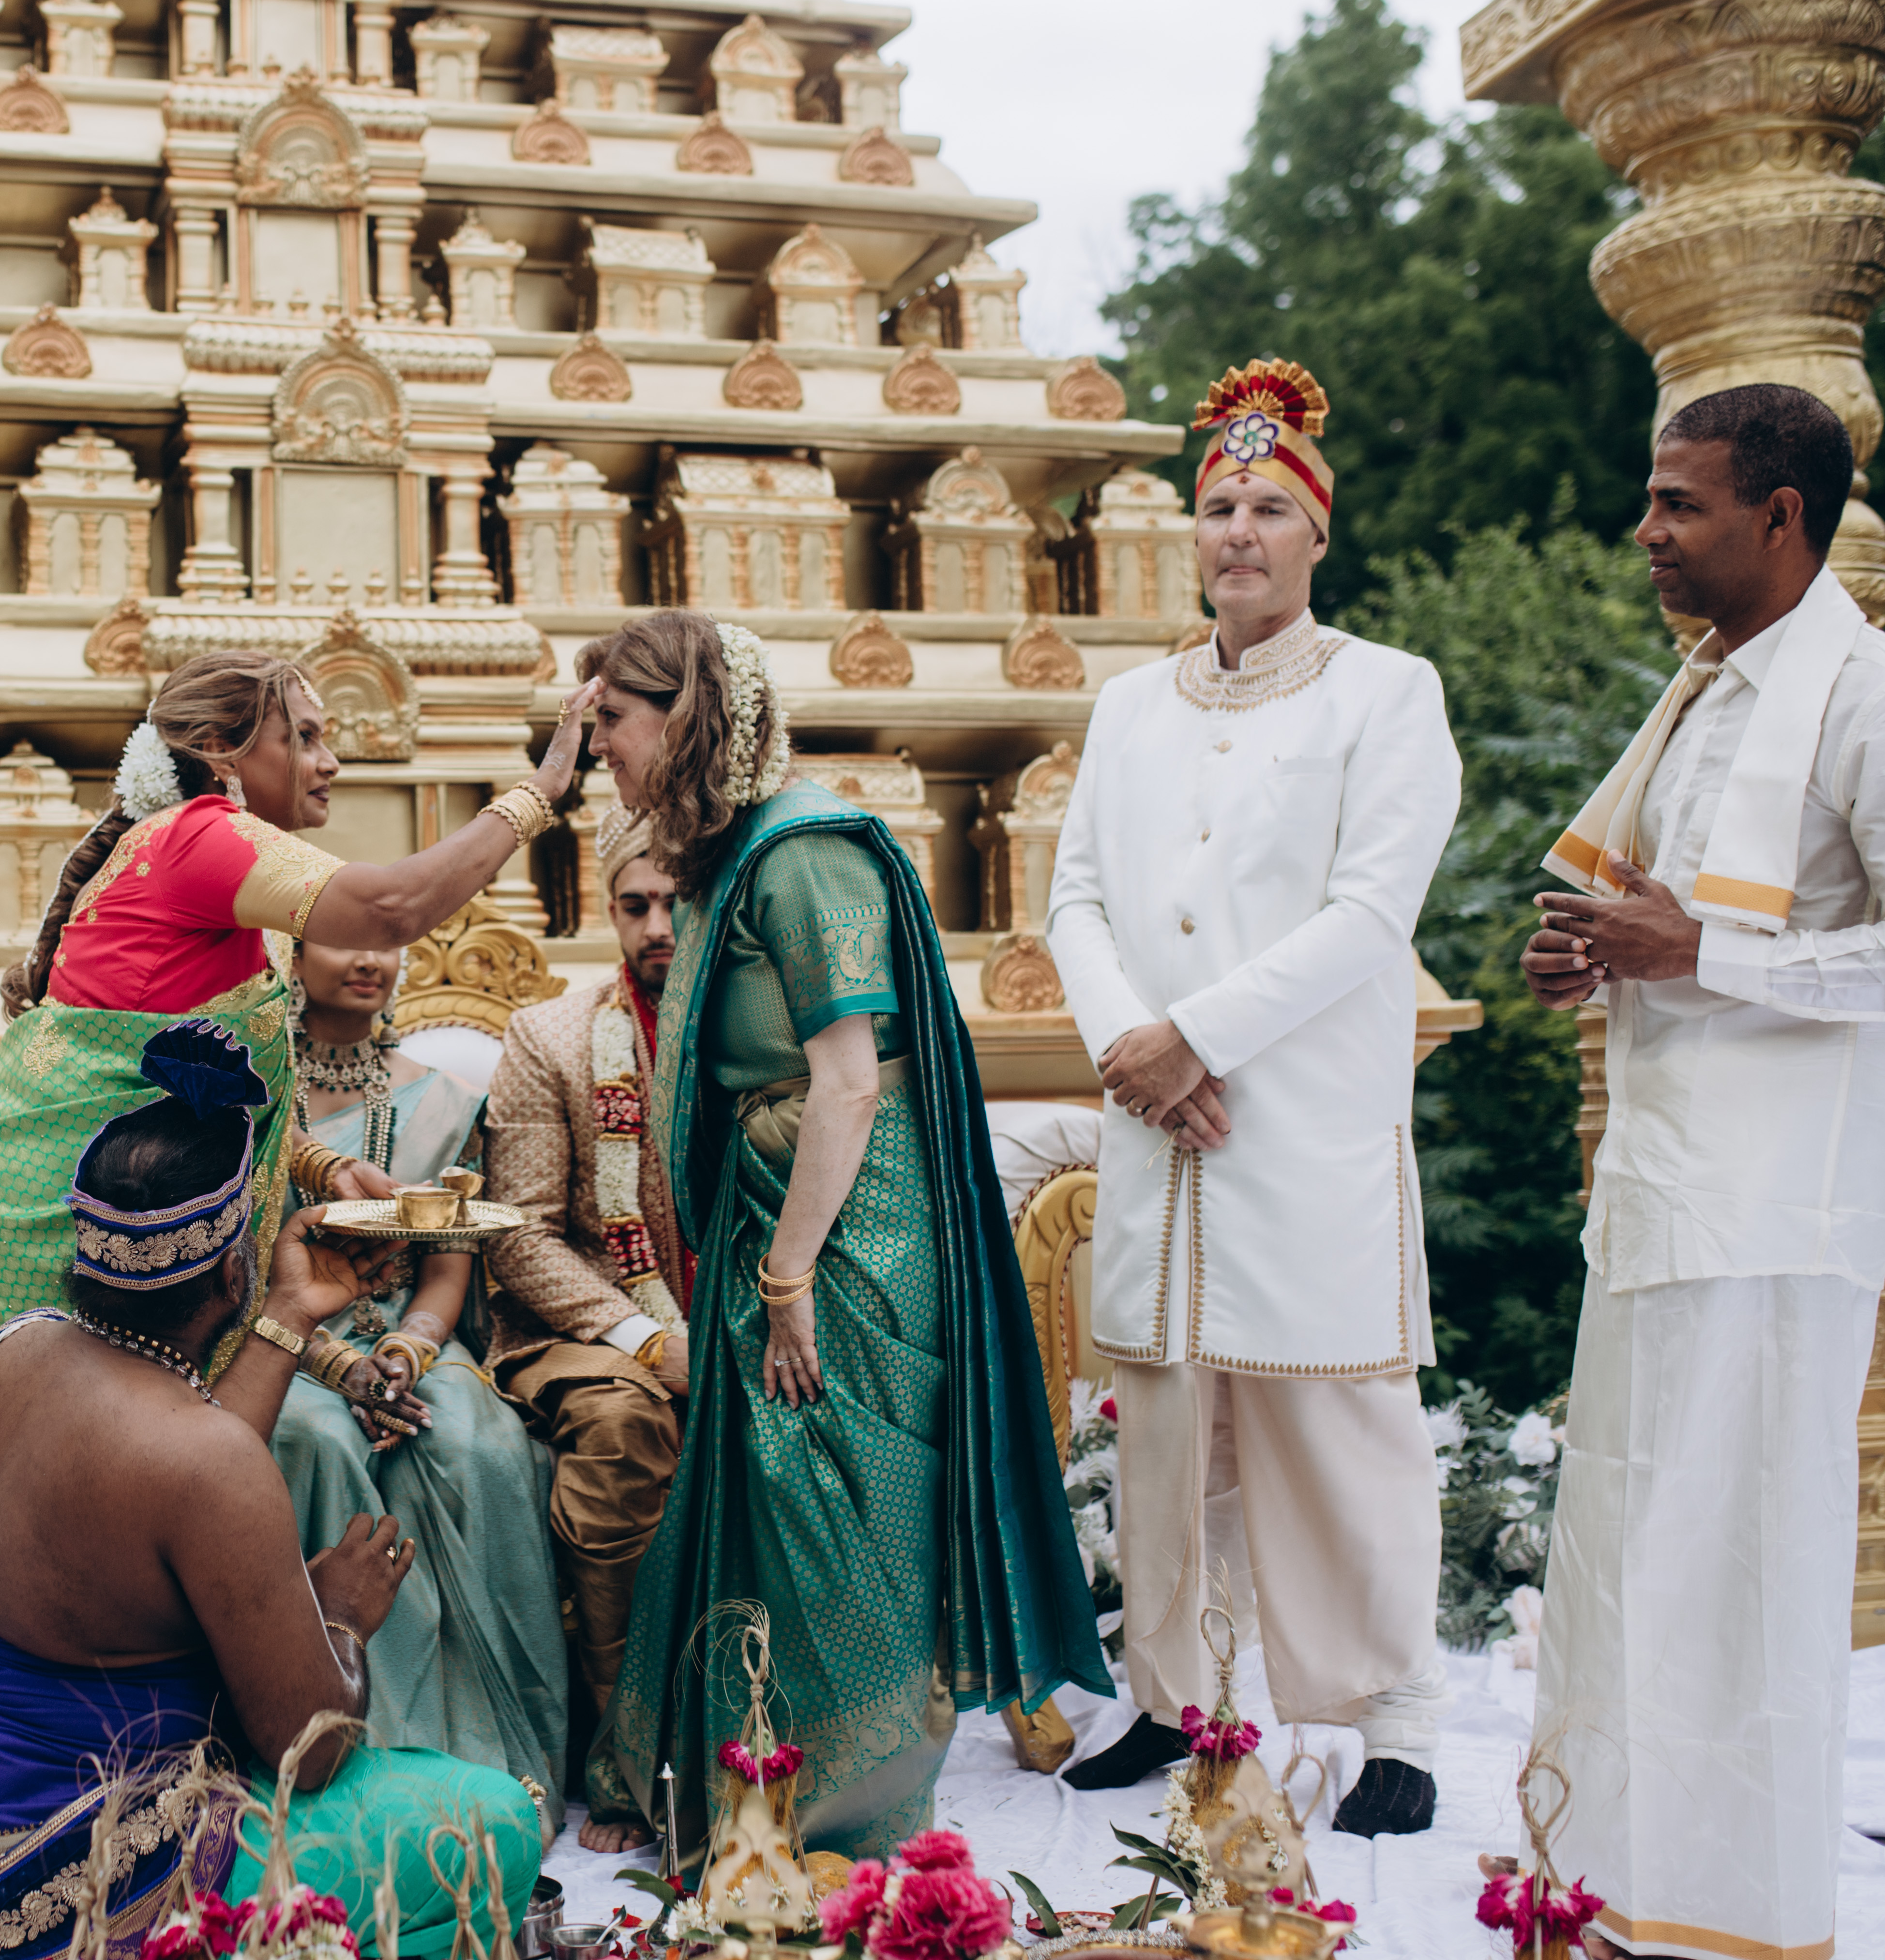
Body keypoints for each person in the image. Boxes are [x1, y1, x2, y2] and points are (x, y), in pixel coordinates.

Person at [0, 1022, 543, 1957]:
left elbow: (167, 1474)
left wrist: (289, 1312)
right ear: (233, 1262)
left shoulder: (8, 1353)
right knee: (495, 1817)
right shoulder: (204, 1458)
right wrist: (342, 1618)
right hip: (92, 1877)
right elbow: (309, 1750)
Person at [580, 609, 1104, 1858]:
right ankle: (743, 1780)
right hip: (782, 1201)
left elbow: (851, 1082)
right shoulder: (730, 848)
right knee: (769, 1494)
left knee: (831, 1504)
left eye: (608, 720)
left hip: (845, 1225)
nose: (594, 746)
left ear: (682, 716)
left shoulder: (806, 854)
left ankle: (835, 1821)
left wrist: (788, 1275)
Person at [1041, 358, 1462, 1837]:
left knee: (1340, 1420)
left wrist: (1197, 1040)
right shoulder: (1128, 705)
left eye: (1271, 507)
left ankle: (1395, 1714)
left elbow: (1371, 912)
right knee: (1166, 1425)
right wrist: (1133, 1046)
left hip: (1299, 1121)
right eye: (1220, 505)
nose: (1240, 530)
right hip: (1158, 1120)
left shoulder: (1387, 694)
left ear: (1318, 533)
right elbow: (1076, 896)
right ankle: (1178, 1699)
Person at [1521, 383, 1885, 1960]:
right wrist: (1596, 955)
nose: (1646, 529)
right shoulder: (1705, 689)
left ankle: (1734, 1922)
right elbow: (1666, 925)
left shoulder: (1860, 692)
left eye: (1679, 502)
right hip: (1663, 1193)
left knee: (1742, 1572)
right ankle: (1619, 1889)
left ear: (1779, 516)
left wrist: (1700, 950)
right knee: (1628, 1551)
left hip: (1778, 1213)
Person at [0, 652, 600, 1400]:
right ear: (220, 751)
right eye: (303, 737)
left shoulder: (213, 862)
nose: (329, 761)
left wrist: (324, 1168)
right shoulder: (198, 837)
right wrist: (542, 790)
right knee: (72, 1449)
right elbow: (392, 909)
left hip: (95, 1200)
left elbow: (194, 1079)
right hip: (65, 1214)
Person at [265, 935, 569, 1829]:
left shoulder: (443, 1100)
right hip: (287, 1341)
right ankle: (358, 1756)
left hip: (411, 1337)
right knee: (318, 1439)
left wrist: (402, 1356)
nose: (372, 958)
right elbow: (241, 1275)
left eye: (385, 941)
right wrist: (342, 1368)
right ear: (290, 954)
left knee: (477, 1443)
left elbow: (445, 1271)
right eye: (344, 937)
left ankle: (499, 1764)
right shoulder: (253, 1094)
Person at [480, 812, 688, 1849]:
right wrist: (645, 1339)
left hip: (741, 1316)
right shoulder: (550, 1037)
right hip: (579, 1329)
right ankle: (626, 1761)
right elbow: (518, 1234)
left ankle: (791, 1738)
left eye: (676, 903)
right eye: (634, 905)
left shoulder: (762, 1035)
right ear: (608, 910)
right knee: (622, 1431)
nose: (657, 927)